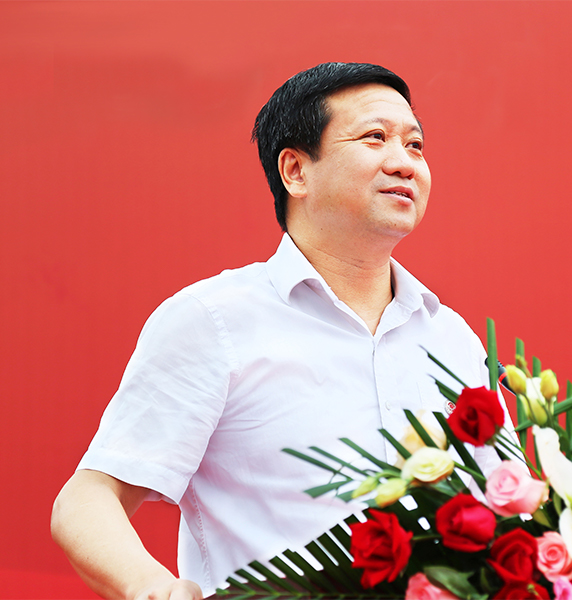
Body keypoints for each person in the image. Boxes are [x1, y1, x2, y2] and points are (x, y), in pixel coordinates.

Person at [51, 62, 510, 600]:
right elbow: (89, 497)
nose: (404, 163)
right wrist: (152, 588)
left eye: (415, 146)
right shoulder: (214, 321)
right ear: (295, 171)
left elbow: (510, 508)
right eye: (375, 137)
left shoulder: (452, 339)